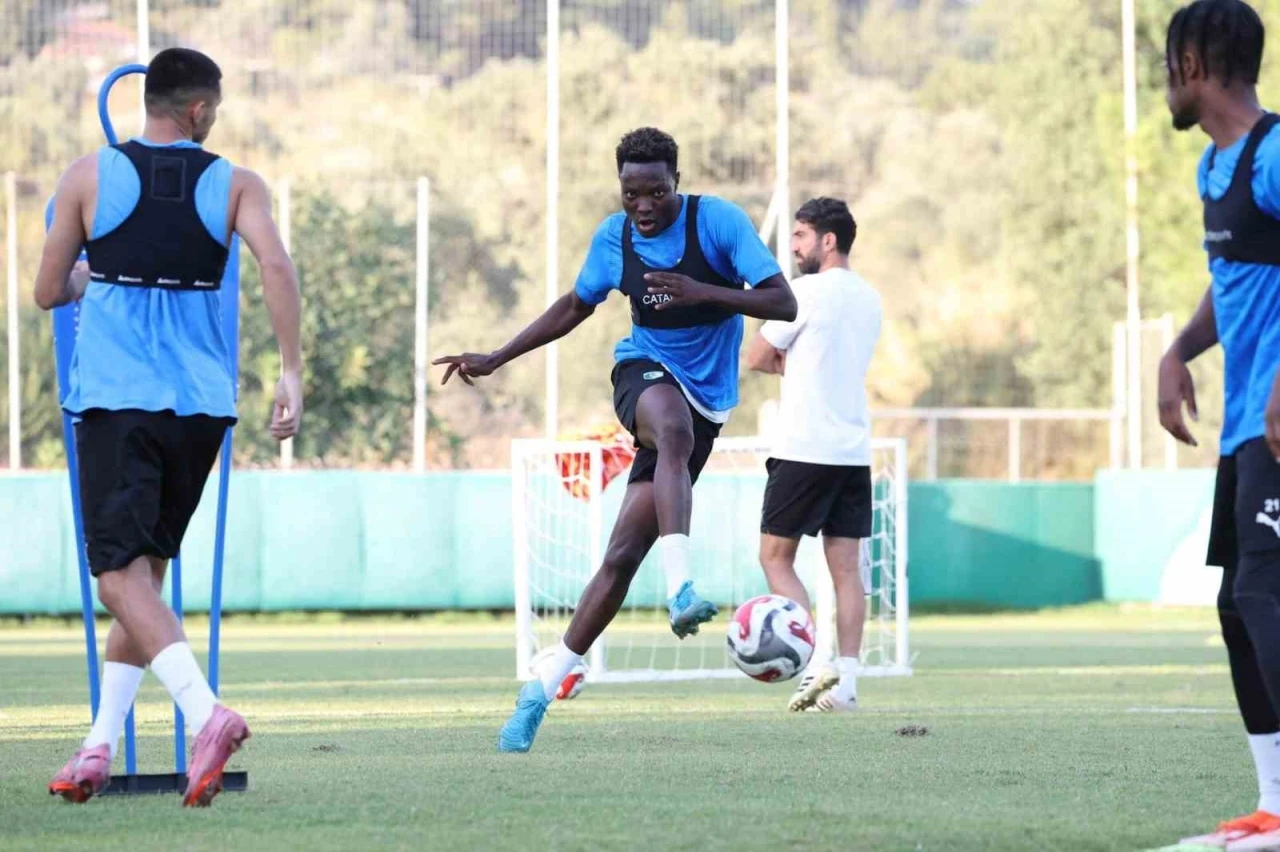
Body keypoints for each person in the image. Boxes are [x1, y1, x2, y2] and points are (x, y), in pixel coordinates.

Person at [434, 126, 795, 752]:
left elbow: (783, 303)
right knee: (672, 428)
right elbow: (574, 306)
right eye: (632, 194)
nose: (643, 206)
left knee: (621, 557)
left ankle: (538, 691)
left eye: (656, 191)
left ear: (676, 182)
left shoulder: (718, 223)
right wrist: (496, 356)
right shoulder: (614, 238)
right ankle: (681, 588)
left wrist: (703, 291)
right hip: (643, 374)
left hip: (708, 402)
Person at [35, 47, 303, 807]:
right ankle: (98, 748)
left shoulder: (85, 177)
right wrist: (290, 372)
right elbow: (276, 268)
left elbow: (47, 290)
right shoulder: (239, 183)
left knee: (115, 578)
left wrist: (86, 277)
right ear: (199, 110)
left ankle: (205, 714)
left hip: (117, 399)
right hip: (201, 406)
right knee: (144, 580)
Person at [1157, 2, 1280, 848]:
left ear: (1193, 66)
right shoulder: (1214, 167)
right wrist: (1178, 350)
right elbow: (1232, 276)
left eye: (1167, 67)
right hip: (1245, 430)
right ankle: (1275, 802)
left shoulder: (1275, 152)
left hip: (1276, 423)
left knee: (1264, 594)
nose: (1164, 84)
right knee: (1238, 607)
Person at [745, 197, 881, 714]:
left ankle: (806, 658)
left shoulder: (803, 292)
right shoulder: (869, 298)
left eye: (801, 236)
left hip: (803, 448)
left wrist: (788, 360)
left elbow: (756, 356)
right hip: (852, 452)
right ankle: (846, 685)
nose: (794, 246)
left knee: (775, 557)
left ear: (828, 240)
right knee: (847, 572)